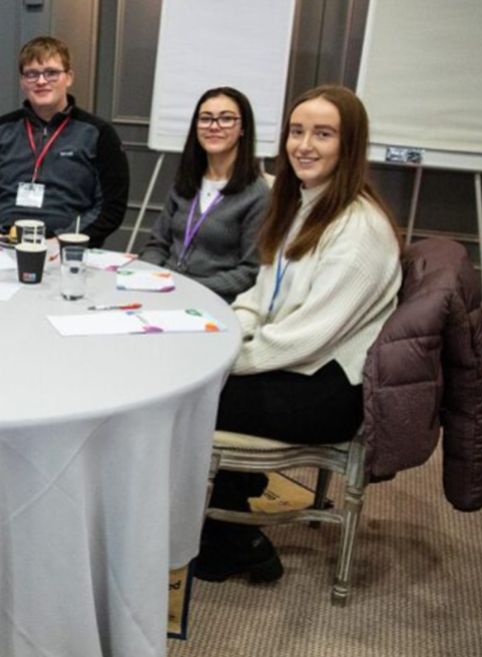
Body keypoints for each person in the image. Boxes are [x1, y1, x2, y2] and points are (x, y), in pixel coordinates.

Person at [198, 85, 402, 583]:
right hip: (292, 364)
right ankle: (228, 528)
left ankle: (236, 536)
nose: (304, 145)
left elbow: (303, 340)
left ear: (348, 146)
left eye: (323, 134)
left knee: (189, 399)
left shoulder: (359, 233)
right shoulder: (302, 205)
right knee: (199, 386)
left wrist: (224, 360)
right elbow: (258, 298)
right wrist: (231, 335)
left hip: (327, 389)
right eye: (297, 131)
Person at [0, 36, 129, 247]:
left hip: (67, 250)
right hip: (2, 245)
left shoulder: (99, 134)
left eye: (51, 73)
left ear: (69, 77)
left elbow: (110, 209)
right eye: (32, 74)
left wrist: (62, 242)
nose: (41, 81)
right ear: (22, 81)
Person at [139, 87, 269, 302]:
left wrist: (187, 287)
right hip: (165, 290)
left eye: (226, 119)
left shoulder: (257, 194)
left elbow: (249, 271)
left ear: (243, 128)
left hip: (212, 298)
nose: (214, 127)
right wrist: (149, 277)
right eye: (206, 119)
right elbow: (157, 244)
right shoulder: (186, 182)